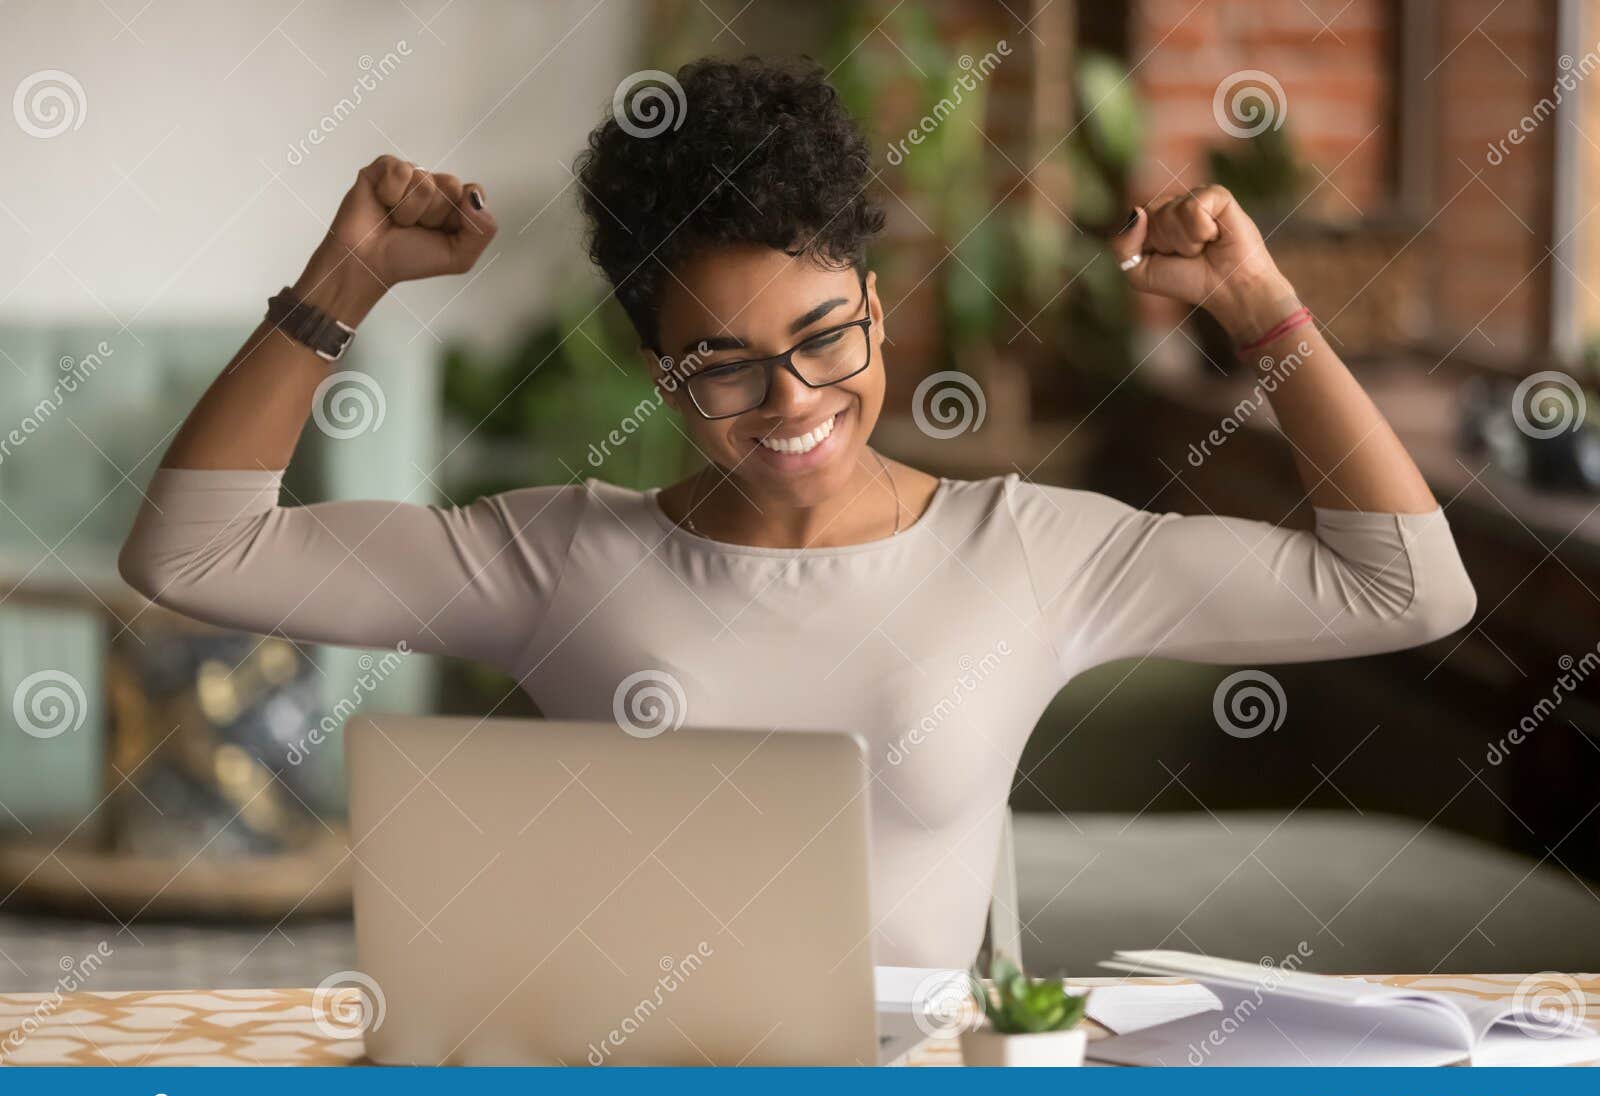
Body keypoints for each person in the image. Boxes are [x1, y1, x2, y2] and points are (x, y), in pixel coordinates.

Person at [119, 58, 1475, 968]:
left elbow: (1407, 589)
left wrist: (1258, 310)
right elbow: (194, 549)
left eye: (827, 335)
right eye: (724, 363)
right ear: (661, 372)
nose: (793, 399)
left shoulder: (1034, 550)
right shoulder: (558, 557)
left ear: (877, 306)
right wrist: (341, 277)